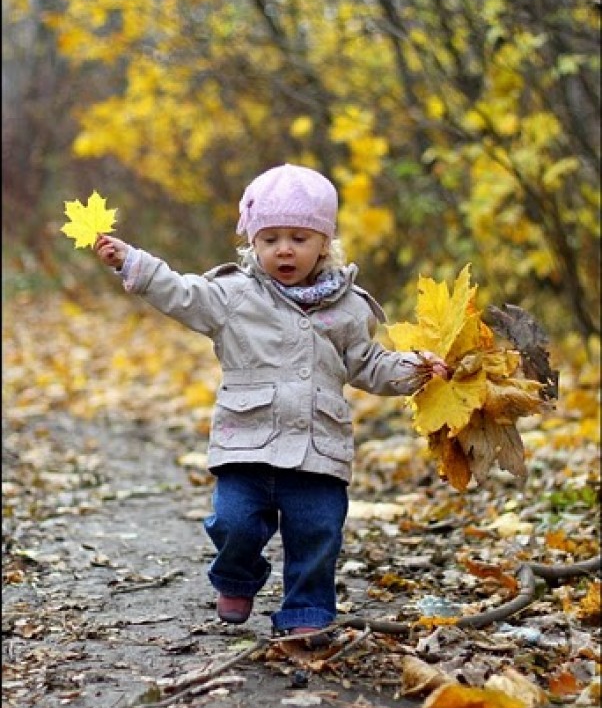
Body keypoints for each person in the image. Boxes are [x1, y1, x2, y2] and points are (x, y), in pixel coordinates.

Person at [94, 163, 447, 647]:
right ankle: (237, 577)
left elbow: (368, 364)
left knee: (319, 532)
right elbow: (181, 293)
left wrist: (416, 369)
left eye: (300, 238)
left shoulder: (349, 307)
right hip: (247, 444)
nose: (284, 249)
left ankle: (307, 608)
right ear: (253, 244)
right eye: (271, 238)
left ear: (324, 244)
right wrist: (131, 261)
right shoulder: (233, 296)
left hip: (317, 448)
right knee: (235, 522)